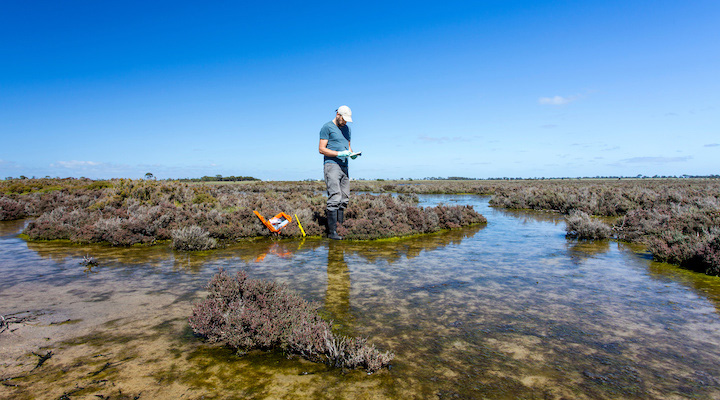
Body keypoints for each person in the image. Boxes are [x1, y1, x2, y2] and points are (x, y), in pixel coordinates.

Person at [318, 105, 358, 240]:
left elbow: (349, 147)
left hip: (344, 166)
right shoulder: (327, 127)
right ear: (338, 115)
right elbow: (321, 149)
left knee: (344, 197)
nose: (345, 122)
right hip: (332, 165)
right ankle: (332, 232)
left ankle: (340, 228)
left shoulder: (347, 129)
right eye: (344, 119)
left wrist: (352, 154)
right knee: (335, 195)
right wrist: (339, 153)